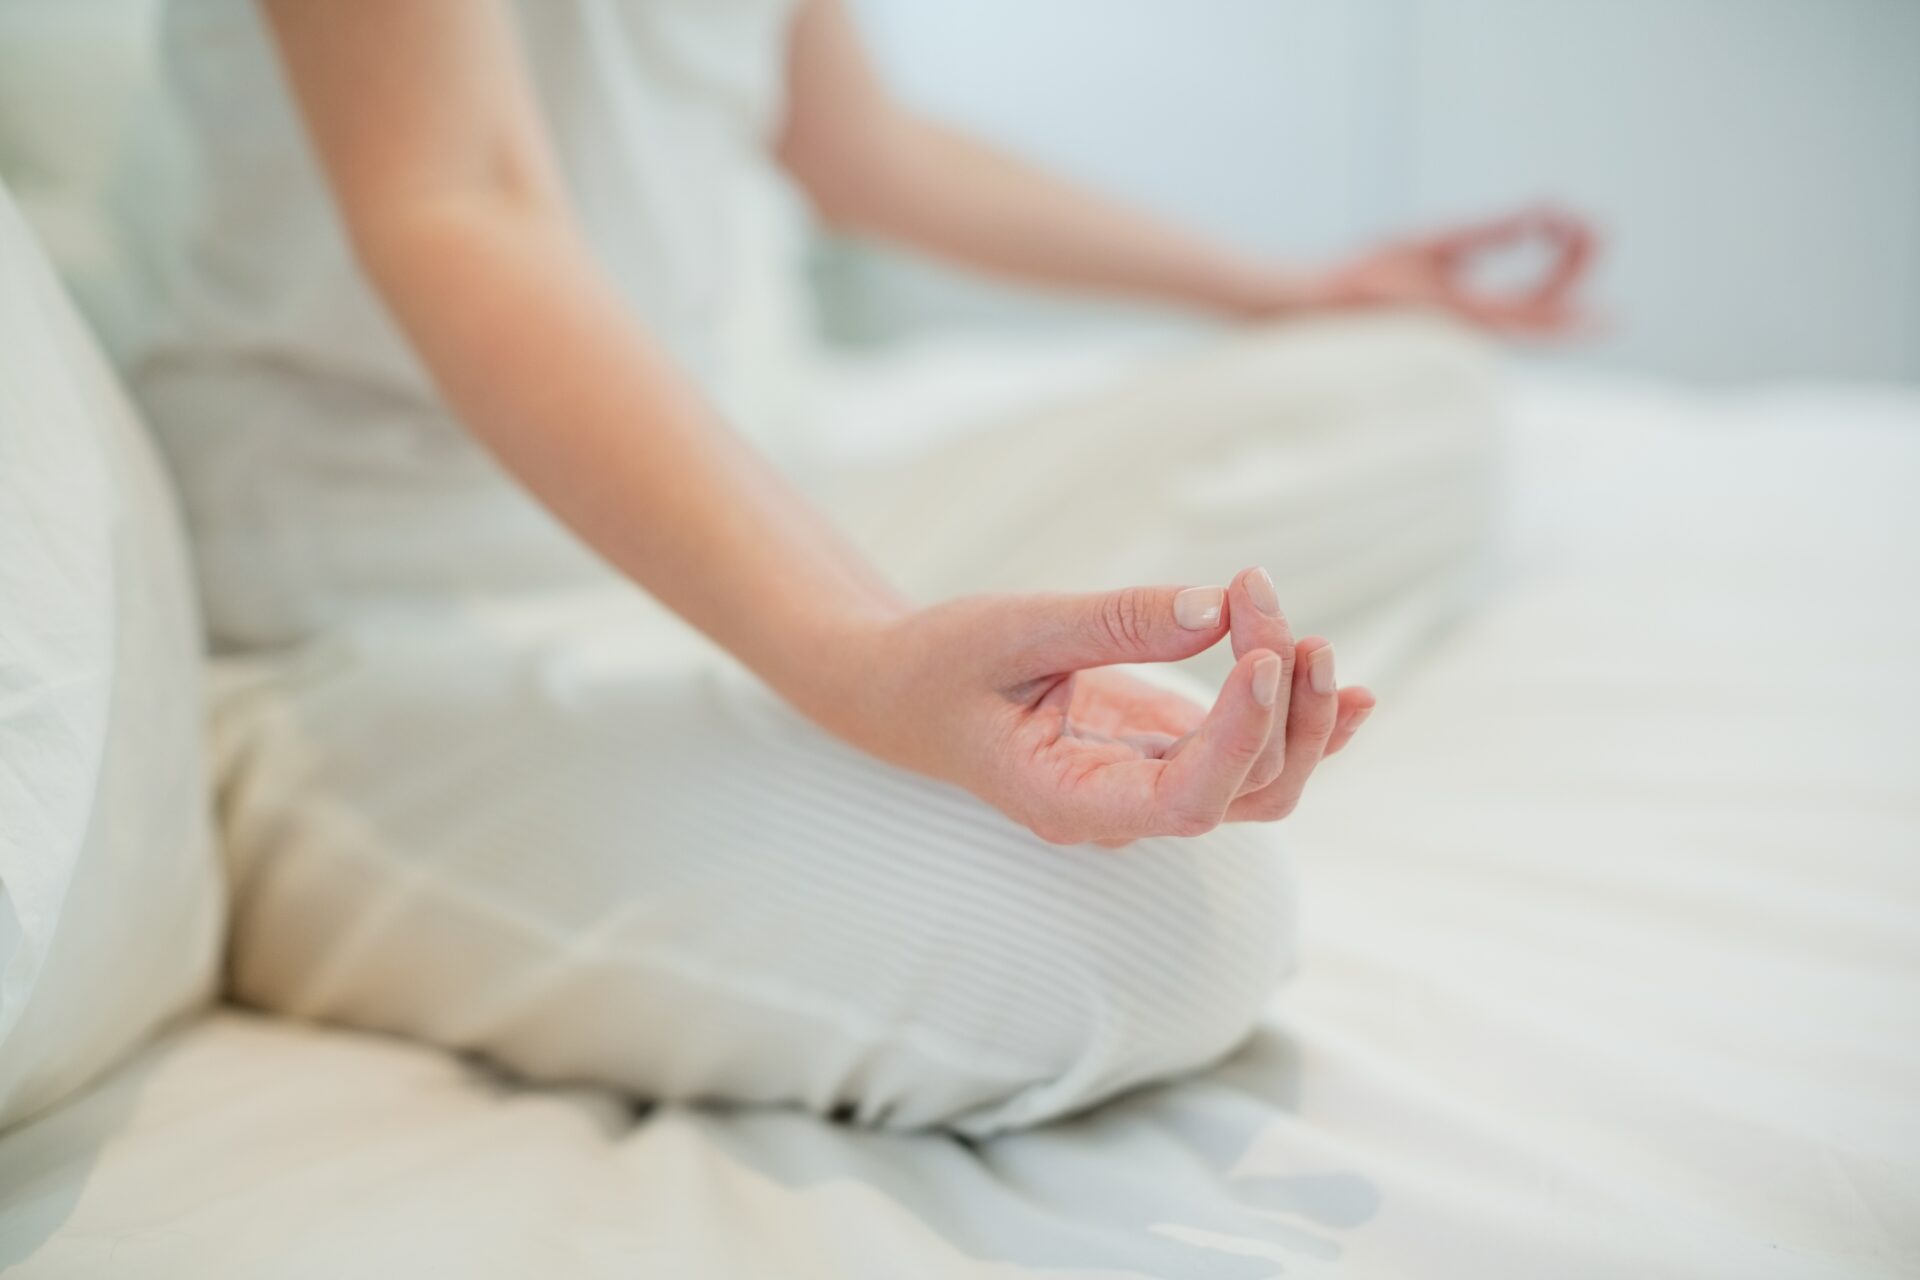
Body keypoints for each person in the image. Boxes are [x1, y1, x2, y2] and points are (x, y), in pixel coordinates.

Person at [128, 0, 1595, 1134]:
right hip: (382, 621)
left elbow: (860, 149)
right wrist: (855, 654)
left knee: (1405, 391)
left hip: (742, 511)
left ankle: (886, 689)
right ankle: (322, 840)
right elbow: (461, 194)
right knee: (1162, 931)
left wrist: (1286, 290)